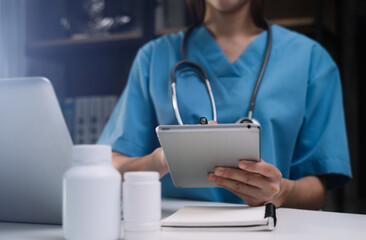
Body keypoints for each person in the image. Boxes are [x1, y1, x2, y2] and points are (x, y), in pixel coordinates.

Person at [98, 0, 352, 209]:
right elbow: (110, 167)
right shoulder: (153, 57)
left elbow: (316, 191)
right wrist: (159, 161)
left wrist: (281, 192)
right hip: (171, 228)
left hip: (269, 230)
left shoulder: (310, 60)